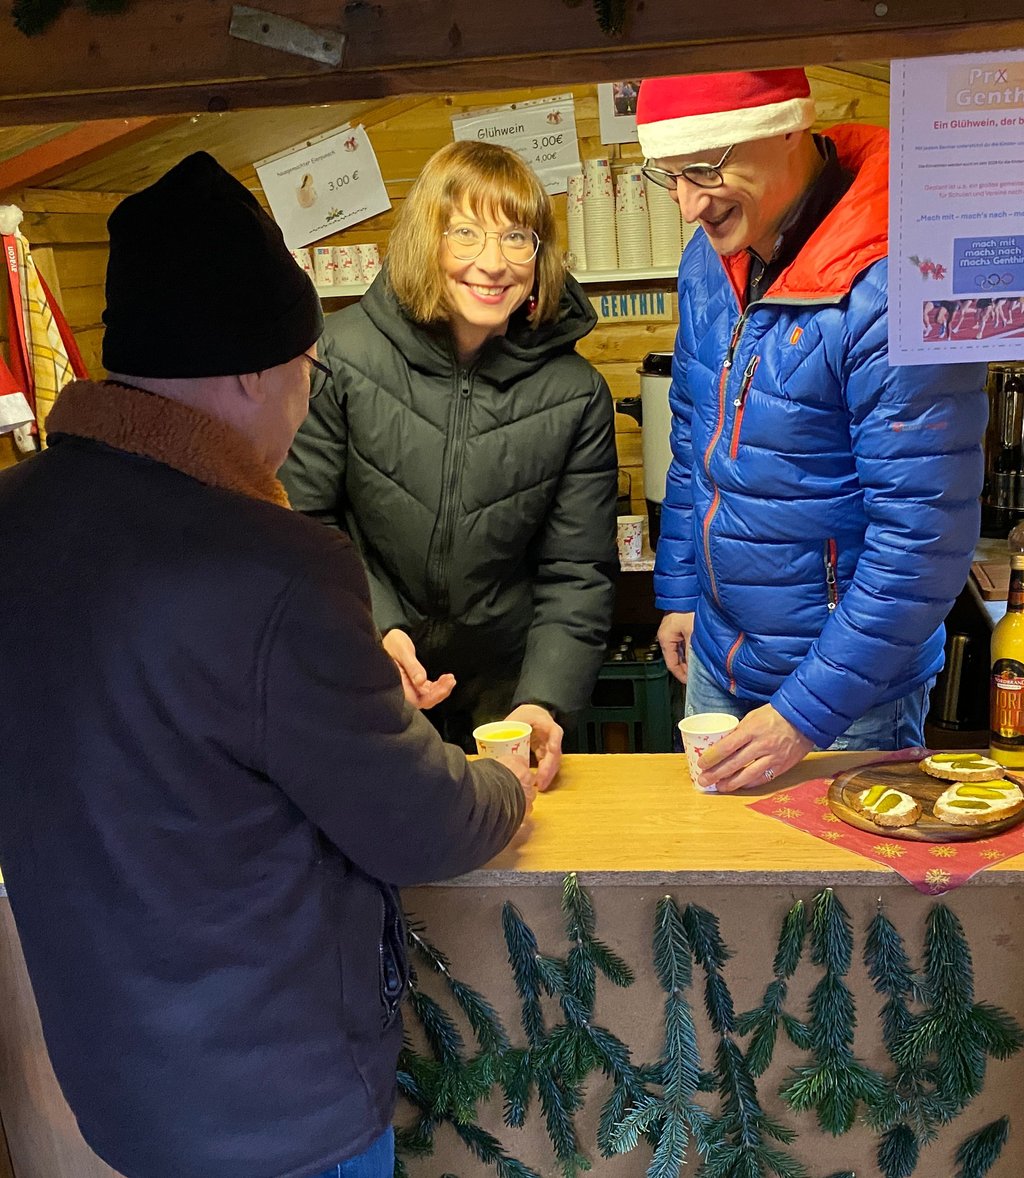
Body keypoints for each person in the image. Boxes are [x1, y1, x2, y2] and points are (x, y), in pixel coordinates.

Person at [0, 152, 534, 1178]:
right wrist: (504, 785)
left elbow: (166, 720)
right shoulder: (274, 564)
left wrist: (337, 669)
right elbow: (419, 822)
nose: (305, 393)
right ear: (254, 367)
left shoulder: (13, 518)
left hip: (118, 1083)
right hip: (275, 1106)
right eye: (306, 366)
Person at [636, 69, 987, 792]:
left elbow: (922, 539)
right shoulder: (710, 255)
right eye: (667, 175)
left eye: (704, 167)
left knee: (832, 903)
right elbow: (694, 438)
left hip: (850, 698)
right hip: (720, 657)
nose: (688, 204)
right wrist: (676, 591)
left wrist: (803, 714)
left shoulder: (901, 280)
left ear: (790, 125)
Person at [281, 141, 618, 788]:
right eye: (464, 233)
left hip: (501, 700)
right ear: (425, 240)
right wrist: (374, 630)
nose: (492, 264)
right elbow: (307, 522)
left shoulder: (575, 394)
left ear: (540, 255)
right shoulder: (339, 357)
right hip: (363, 674)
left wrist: (543, 701)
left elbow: (576, 572)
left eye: (516, 237)